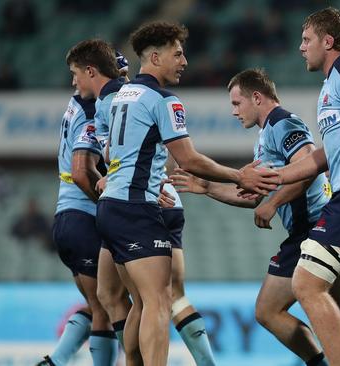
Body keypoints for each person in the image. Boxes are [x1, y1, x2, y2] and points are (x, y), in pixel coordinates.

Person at [94, 21, 277, 365]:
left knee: (142, 301)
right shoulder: (164, 100)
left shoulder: (122, 96)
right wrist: (241, 175)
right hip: (136, 210)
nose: (184, 61)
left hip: (110, 207)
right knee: (160, 300)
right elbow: (188, 158)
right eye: (177, 54)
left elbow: (107, 154)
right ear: (155, 56)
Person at [162, 68, 340, 366]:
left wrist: (273, 204)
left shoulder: (283, 123)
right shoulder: (264, 138)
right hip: (320, 228)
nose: (234, 112)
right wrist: (207, 187)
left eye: (237, 104)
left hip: (312, 230)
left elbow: (307, 166)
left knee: (267, 310)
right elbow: (253, 196)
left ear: (257, 97)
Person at [242, 8, 340, 366]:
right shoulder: (332, 85)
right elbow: (326, 157)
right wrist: (278, 177)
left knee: (306, 285)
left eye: (306, 40)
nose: (301, 48)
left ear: (327, 42)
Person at [91, 49, 217, 366]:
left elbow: (110, 157)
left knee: (127, 298)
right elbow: (168, 154)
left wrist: (144, 180)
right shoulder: (146, 98)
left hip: (136, 202)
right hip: (154, 199)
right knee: (156, 298)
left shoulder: (114, 103)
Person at [38, 39, 121, 366]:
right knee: (108, 305)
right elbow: (81, 171)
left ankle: (56, 360)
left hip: (68, 219)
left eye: (75, 73)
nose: (73, 81)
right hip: (83, 217)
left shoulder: (78, 103)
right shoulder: (91, 108)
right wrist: (110, 205)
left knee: (99, 302)